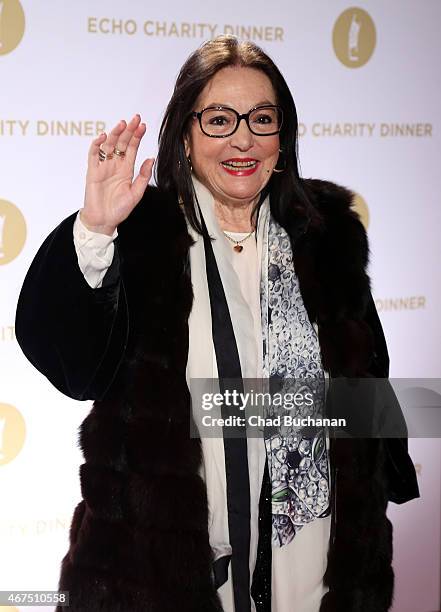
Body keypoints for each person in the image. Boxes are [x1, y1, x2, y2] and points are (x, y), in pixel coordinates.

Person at [15, 35, 419, 612]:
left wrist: (385, 473)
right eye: (219, 119)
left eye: (262, 119)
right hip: (159, 569)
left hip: (311, 567)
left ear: (284, 135)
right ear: (185, 133)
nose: (243, 139)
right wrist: (95, 231)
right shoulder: (143, 233)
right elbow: (73, 364)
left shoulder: (326, 236)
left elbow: (365, 380)